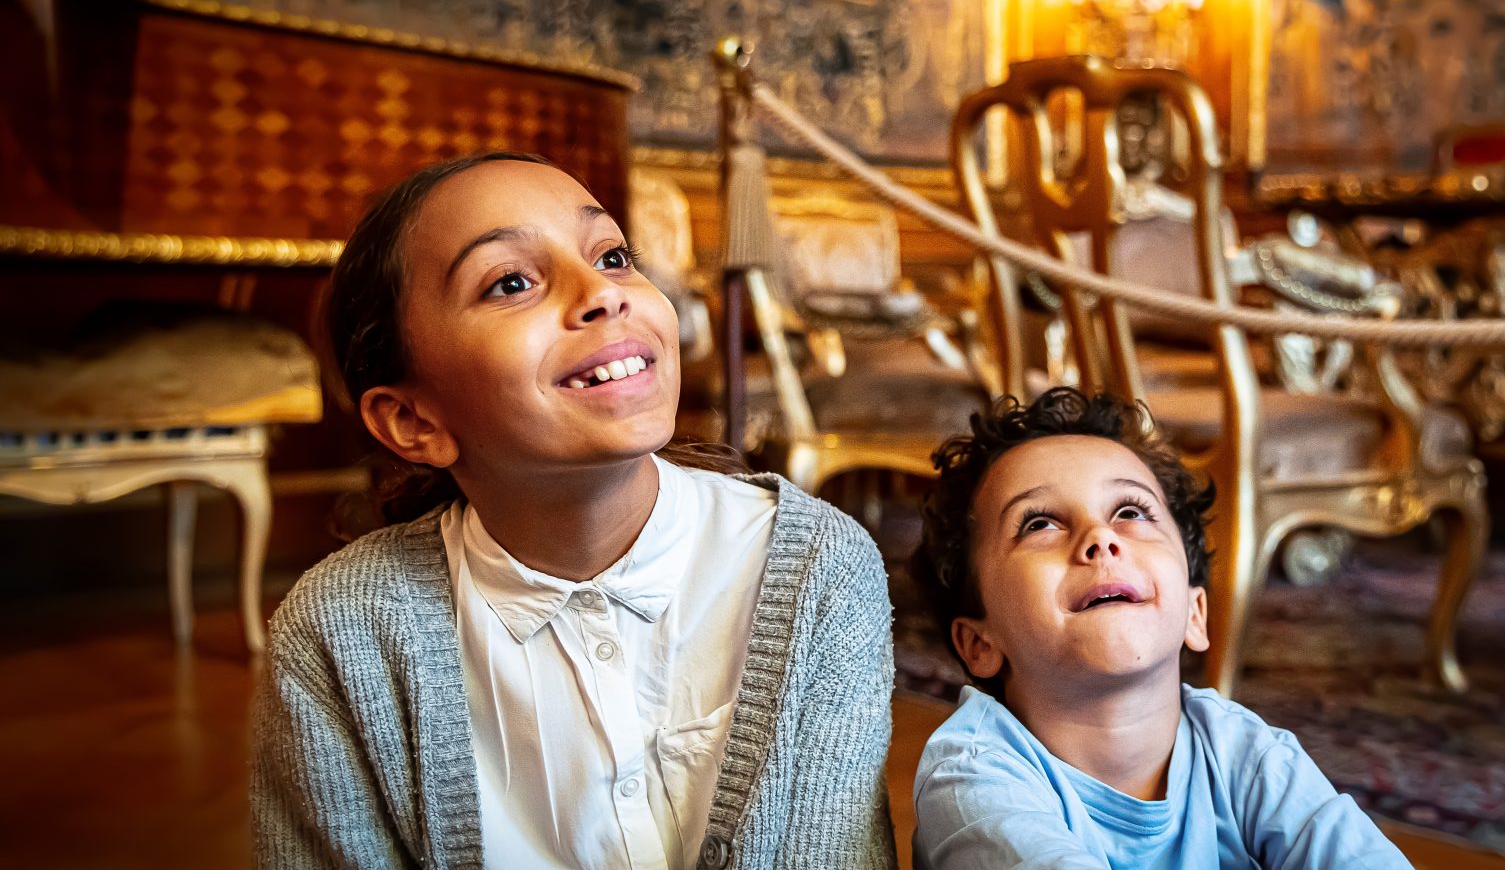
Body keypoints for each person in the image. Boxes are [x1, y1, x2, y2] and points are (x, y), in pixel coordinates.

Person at [251, 153, 895, 870]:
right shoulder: (338, 633)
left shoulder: (817, 568)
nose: (601, 292)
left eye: (614, 256)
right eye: (511, 282)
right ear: (412, 419)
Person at [910, 388, 1411, 869]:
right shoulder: (971, 778)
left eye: (1131, 511)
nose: (1100, 538)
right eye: (1040, 523)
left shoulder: (1245, 754)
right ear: (979, 643)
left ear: (1196, 613)